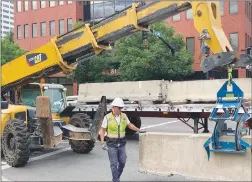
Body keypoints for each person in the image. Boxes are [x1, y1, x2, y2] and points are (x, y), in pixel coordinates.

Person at [99, 97, 146, 182]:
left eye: (121, 108)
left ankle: (116, 177)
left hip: (122, 143)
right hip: (112, 144)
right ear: (114, 107)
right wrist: (102, 142)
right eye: (119, 108)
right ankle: (116, 180)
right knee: (113, 164)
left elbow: (130, 125)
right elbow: (102, 130)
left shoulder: (124, 116)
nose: (120, 109)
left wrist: (139, 130)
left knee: (122, 162)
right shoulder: (107, 117)